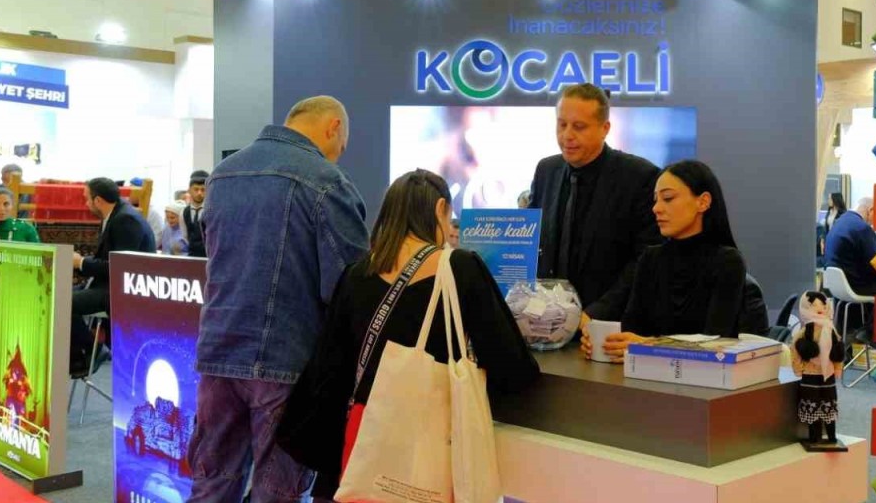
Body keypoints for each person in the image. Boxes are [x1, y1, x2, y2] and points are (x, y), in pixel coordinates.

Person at [279, 169, 539, 500]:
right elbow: (513, 368)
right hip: (428, 442)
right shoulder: (460, 269)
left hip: (363, 441)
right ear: (441, 208)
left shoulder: (357, 275)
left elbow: (329, 370)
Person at [189, 96, 369, 503]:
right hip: (285, 361)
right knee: (277, 492)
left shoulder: (222, 175)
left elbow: (214, 256)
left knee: (211, 481)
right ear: (333, 127)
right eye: (342, 144)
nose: (339, 153)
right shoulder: (326, 181)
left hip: (217, 350)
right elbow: (349, 285)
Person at [581, 161, 756, 362]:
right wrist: (609, 343)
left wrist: (649, 346)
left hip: (705, 376)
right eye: (655, 200)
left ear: (703, 202)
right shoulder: (650, 258)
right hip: (644, 375)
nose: (656, 208)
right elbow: (633, 330)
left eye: (668, 198)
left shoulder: (728, 261)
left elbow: (714, 342)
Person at [527, 83, 661, 320]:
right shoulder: (546, 170)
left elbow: (645, 260)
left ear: (604, 128)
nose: (567, 135)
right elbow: (532, 244)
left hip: (610, 323)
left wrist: (596, 313)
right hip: (546, 321)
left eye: (579, 126)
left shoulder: (639, 177)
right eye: (562, 124)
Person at [69, 177, 156, 374]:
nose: (86, 203)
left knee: (63, 303)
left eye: (87, 199)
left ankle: (92, 350)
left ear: (98, 200)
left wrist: (81, 263)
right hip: (110, 284)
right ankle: (78, 357)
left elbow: (120, 267)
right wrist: (82, 263)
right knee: (56, 296)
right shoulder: (117, 215)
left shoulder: (125, 220)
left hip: (123, 290)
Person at [183, 170, 208, 258]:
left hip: (208, 256)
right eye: (196, 189)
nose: (199, 193)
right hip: (191, 255)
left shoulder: (211, 211)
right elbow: (185, 236)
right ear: (189, 190)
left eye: (203, 190)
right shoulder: (184, 212)